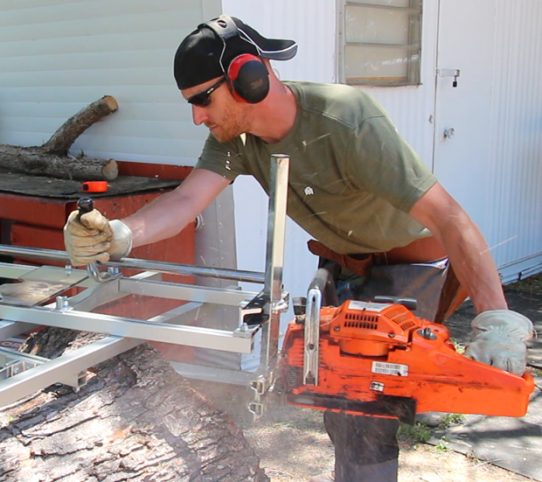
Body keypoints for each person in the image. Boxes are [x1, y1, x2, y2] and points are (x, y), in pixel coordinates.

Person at [63, 15, 534, 482]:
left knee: (365, 408)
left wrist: (496, 316)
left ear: (248, 76)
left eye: (203, 100)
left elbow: (449, 216)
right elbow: (186, 200)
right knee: (334, 390)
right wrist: (120, 234)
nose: (197, 116)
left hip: (407, 261)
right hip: (342, 260)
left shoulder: (346, 119)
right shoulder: (237, 140)